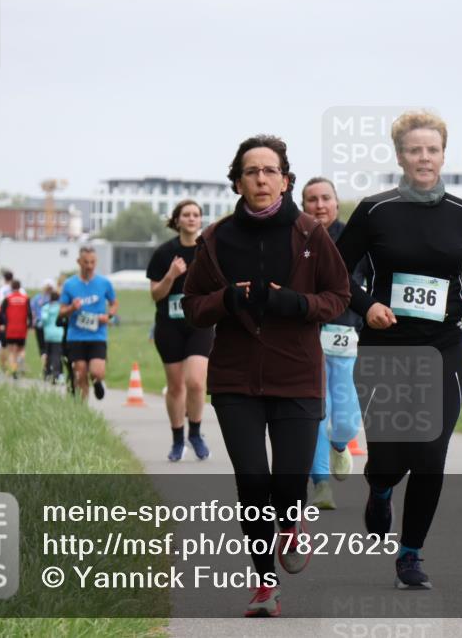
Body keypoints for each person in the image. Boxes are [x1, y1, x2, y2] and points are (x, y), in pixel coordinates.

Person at [182, 135, 350, 618]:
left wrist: (297, 304)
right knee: (252, 481)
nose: (260, 178)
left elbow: (338, 295)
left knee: (288, 479)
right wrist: (226, 300)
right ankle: (264, 584)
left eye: (269, 170)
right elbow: (193, 307)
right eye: (251, 171)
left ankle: (291, 525)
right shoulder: (215, 239)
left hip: (295, 374)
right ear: (237, 181)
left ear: (285, 179)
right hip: (235, 378)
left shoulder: (309, 235)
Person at [335, 111, 462, 590]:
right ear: (400, 157)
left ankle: (410, 554)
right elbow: (336, 274)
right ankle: (381, 486)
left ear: (443, 154)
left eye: (432, 149)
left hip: (444, 347)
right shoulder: (375, 210)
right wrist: (366, 306)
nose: (424, 158)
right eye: (415, 150)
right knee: (389, 457)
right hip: (385, 348)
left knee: (430, 452)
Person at [301, 177, 365, 510]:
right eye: (312, 199)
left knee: (344, 421)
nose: (320, 205)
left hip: (344, 336)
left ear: (337, 203)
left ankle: (340, 445)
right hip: (305, 338)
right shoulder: (295, 240)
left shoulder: (355, 239)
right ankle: (321, 483)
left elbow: (366, 288)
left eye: (326, 198)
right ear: (303, 206)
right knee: (315, 413)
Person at [147, 200, 214, 462]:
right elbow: (155, 294)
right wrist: (171, 275)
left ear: (200, 220)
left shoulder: (207, 251)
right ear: (177, 221)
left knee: (196, 383)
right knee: (175, 387)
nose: (191, 218)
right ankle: (177, 440)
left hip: (199, 324)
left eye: (196, 214)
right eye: (186, 214)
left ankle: (195, 433)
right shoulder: (164, 253)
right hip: (169, 326)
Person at [60, 246, 118, 403]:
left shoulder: (104, 283)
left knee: (97, 372)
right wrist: (72, 307)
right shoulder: (69, 284)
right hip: (76, 336)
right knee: (80, 373)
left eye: (92, 262)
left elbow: (114, 303)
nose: (89, 266)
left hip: (97, 335)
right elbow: (61, 311)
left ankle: (98, 382)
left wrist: (109, 315)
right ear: (79, 262)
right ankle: (82, 410)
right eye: (86, 262)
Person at [0, 280, 32, 379]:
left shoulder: (8, 299)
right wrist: (30, 325)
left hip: (10, 328)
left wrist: (4, 323)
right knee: (21, 349)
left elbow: (1, 312)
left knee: (11, 351)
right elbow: (30, 314)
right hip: (22, 328)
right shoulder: (26, 299)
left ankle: (14, 369)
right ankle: (20, 360)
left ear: (11, 287)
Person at [40, 290, 65, 383]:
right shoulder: (60, 307)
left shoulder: (46, 307)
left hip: (48, 334)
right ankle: (56, 373)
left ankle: (47, 373)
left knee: (47, 354)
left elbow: (44, 319)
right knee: (57, 355)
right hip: (59, 334)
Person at [30, 280, 54, 376]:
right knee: (50, 348)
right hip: (50, 326)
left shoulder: (37, 298)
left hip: (39, 325)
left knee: (42, 348)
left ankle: (45, 368)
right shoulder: (53, 298)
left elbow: (32, 312)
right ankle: (50, 368)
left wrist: (32, 324)